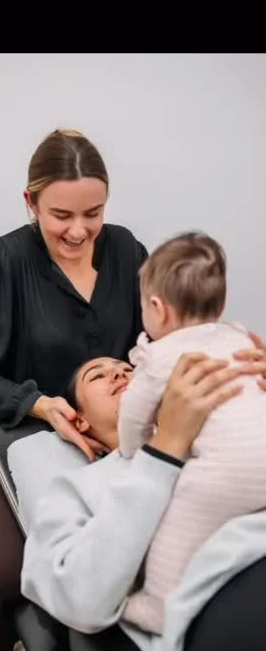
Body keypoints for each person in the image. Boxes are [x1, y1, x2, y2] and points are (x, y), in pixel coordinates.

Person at [0, 128, 148, 651]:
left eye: (93, 213)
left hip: (123, 439)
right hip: (32, 440)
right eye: (61, 215)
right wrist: (39, 405)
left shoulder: (127, 251)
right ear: (31, 202)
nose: (79, 231)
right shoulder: (5, 262)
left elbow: (161, 340)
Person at [11, 343, 266, 651]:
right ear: (79, 421)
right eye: (97, 376)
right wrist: (164, 449)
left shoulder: (231, 440)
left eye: (128, 369)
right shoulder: (76, 489)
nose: (119, 374)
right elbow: (79, 596)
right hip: (226, 600)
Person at [116, 232, 266, 633]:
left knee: (178, 522)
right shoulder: (239, 338)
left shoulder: (160, 355)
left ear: (157, 309)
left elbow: (132, 419)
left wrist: (132, 451)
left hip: (226, 473)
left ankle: (158, 603)